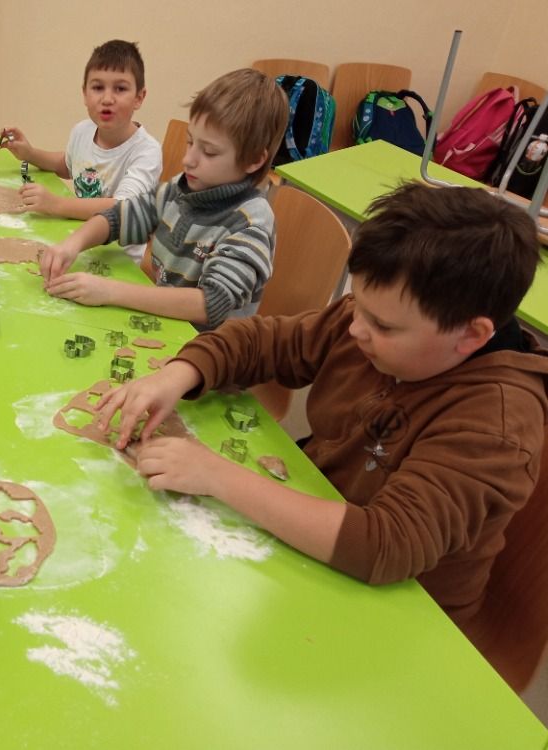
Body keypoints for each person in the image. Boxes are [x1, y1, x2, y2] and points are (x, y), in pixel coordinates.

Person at [97, 183, 548, 629]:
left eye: (382, 325)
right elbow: (262, 342)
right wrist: (180, 373)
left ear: (471, 334)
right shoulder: (376, 322)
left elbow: (386, 543)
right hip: (312, 527)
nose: (355, 329)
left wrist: (215, 475)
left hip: (402, 615)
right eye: (357, 305)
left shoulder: (496, 426)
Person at [39, 68, 289, 330]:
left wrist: (109, 291)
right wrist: (71, 245)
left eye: (209, 152)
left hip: (209, 347)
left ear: (254, 160)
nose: (188, 159)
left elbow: (209, 304)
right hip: (165, 325)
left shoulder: (251, 224)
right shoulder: (182, 189)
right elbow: (120, 217)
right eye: (190, 142)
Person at [0, 38, 161, 260]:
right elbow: (68, 165)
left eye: (120, 88)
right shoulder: (82, 131)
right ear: (85, 94)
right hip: (77, 241)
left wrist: (56, 204)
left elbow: (121, 209)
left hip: (118, 258)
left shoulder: (146, 151)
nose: (107, 99)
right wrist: (30, 153)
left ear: (139, 98)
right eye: (98, 88)